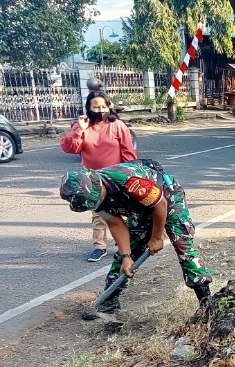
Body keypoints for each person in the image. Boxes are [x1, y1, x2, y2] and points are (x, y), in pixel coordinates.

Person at [59, 160, 213, 319]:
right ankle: (109, 300)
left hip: (168, 199)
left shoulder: (129, 181)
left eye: (98, 199)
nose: (98, 203)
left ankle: (206, 301)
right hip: (139, 210)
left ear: (97, 183)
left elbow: (160, 205)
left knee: (183, 247)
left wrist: (156, 237)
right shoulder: (90, 196)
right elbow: (115, 224)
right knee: (124, 256)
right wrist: (126, 256)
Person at [60, 90, 137, 262]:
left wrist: (130, 174)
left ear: (109, 106)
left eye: (103, 106)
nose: (100, 110)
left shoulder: (117, 125)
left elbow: (128, 151)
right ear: (89, 108)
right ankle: (99, 246)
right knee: (98, 214)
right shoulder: (83, 126)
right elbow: (70, 148)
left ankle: (123, 245)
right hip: (93, 180)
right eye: (96, 107)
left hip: (116, 177)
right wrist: (79, 130)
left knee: (120, 211)